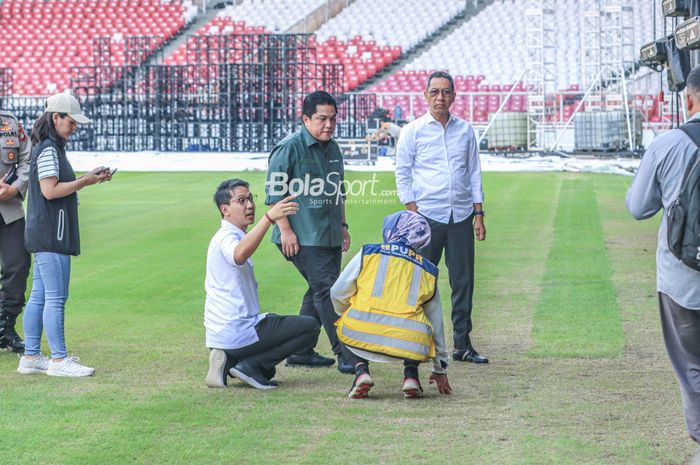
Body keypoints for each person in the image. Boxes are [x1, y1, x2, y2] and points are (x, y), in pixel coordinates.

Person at [626, 65, 700, 451]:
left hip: (682, 277)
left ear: (688, 98)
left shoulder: (668, 144)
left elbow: (638, 207)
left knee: (691, 363)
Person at [395, 70, 488, 364]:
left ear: (454, 96)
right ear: (425, 95)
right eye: (434, 92)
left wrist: (479, 213)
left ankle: (462, 343)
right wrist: (413, 212)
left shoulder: (465, 130)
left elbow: (474, 172)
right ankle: (416, 342)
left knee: (463, 282)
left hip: (460, 216)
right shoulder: (412, 131)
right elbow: (402, 173)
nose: (440, 97)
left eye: (446, 92)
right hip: (427, 217)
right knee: (421, 283)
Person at [17, 92, 112, 377]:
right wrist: (84, 181)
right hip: (51, 234)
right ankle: (59, 361)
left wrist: (86, 180)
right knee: (55, 298)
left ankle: (31, 357)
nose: (75, 127)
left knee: (39, 296)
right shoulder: (49, 150)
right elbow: (50, 190)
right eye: (72, 121)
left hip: (44, 231)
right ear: (56, 118)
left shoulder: (48, 148)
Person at [265, 90, 353, 373]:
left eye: (333, 119)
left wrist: (343, 226)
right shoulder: (289, 148)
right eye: (321, 119)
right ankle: (346, 354)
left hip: (328, 234)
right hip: (301, 236)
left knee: (317, 289)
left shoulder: (334, 148)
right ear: (305, 119)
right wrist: (286, 232)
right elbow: (274, 194)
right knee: (328, 290)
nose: (328, 125)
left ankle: (300, 350)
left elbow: (339, 192)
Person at [204, 179, 321, 391]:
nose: (250, 205)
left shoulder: (229, 236)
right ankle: (249, 365)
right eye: (241, 201)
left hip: (221, 333)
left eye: (250, 199)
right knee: (310, 327)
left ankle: (229, 358)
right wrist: (269, 218)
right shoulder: (226, 238)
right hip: (238, 330)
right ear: (225, 210)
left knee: (269, 370)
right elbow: (239, 254)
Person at [331, 211, 452, 399]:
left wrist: (345, 312)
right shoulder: (429, 270)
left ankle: (361, 371)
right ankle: (411, 377)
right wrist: (440, 369)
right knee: (421, 327)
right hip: (410, 343)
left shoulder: (368, 252)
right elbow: (437, 326)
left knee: (344, 321)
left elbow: (337, 293)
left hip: (361, 331)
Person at [0, 109, 31, 353]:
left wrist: (16, 188)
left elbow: (27, 161)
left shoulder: (9, 122)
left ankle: (5, 328)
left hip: (9, 209)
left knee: (18, 265)